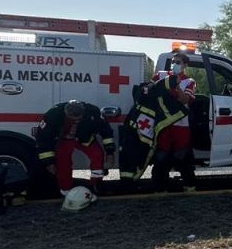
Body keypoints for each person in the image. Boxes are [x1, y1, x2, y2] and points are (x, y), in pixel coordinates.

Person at [118, 53, 197, 191]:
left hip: (180, 124)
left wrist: (176, 86)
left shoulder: (189, 81)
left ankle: (189, 186)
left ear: (185, 65)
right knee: (162, 156)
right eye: (174, 61)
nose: (175, 64)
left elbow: (185, 100)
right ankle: (160, 188)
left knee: (183, 155)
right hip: (161, 124)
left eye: (178, 62)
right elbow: (148, 89)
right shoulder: (161, 75)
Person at [36, 100, 115, 195]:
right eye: (72, 120)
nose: (76, 121)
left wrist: (110, 153)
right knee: (63, 162)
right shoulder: (53, 115)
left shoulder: (93, 111)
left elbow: (106, 132)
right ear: (65, 113)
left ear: (84, 112)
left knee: (97, 155)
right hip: (64, 139)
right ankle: (66, 190)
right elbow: (43, 138)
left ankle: (96, 184)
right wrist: (49, 162)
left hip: (85, 138)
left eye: (79, 119)